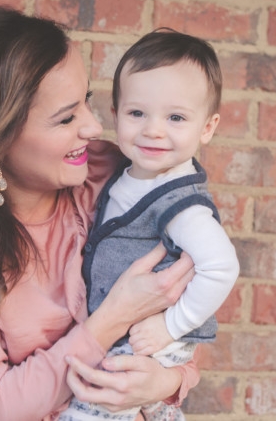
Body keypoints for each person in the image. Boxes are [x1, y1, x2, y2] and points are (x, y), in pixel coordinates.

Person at [0, 7, 201, 421]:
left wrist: (164, 383)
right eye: (65, 118)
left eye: (85, 101)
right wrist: (112, 320)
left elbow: (184, 333)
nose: (92, 126)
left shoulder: (115, 178)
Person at [59, 30, 240, 421]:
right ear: (116, 114)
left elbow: (222, 266)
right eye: (137, 113)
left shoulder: (181, 205)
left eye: (175, 118)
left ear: (207, 128)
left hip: (148, 338)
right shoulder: (128, 174)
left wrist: (170, 327)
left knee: (93, 405)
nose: (153, 129)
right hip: (128, 332)